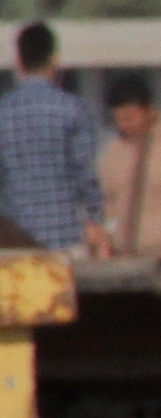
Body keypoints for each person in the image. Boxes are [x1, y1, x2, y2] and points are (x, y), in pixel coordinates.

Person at [0, 22, 106, 255]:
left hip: (16, 241)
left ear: (18, 62)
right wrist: (96, 219)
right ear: (53, 60)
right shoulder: (73, 109)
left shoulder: (3, 113)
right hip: (66, 237)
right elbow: (86, 175)